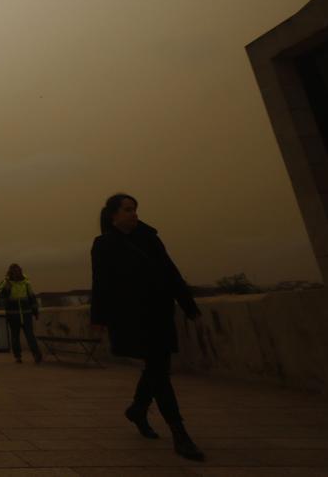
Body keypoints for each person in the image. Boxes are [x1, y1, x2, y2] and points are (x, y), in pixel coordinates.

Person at [90, 193, 205, 462]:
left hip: (158, 313)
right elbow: (101, 283)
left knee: (157, 368)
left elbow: (170, 271)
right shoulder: (104, 244)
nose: (134, 214)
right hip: (131, 316)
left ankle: (139, 409)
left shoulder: (149, 238)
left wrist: (188, 305)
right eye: (128, 210)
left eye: (135, 209)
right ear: (113, 215)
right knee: (158, 371)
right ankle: (180, 433)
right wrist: (98, 318)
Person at [0, 264, 43, 364]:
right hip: (13, 314)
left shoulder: (26, 282)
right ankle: (18, 356)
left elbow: (32, 297)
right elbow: (1, 296)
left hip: (26, 313)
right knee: (15, 336)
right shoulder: (5, 282)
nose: (16, 273)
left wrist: (35, 312)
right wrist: (7, 288)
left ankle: (36, 354)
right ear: (11, 272)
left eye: (18, 271)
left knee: (30, 335)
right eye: (14, 271)